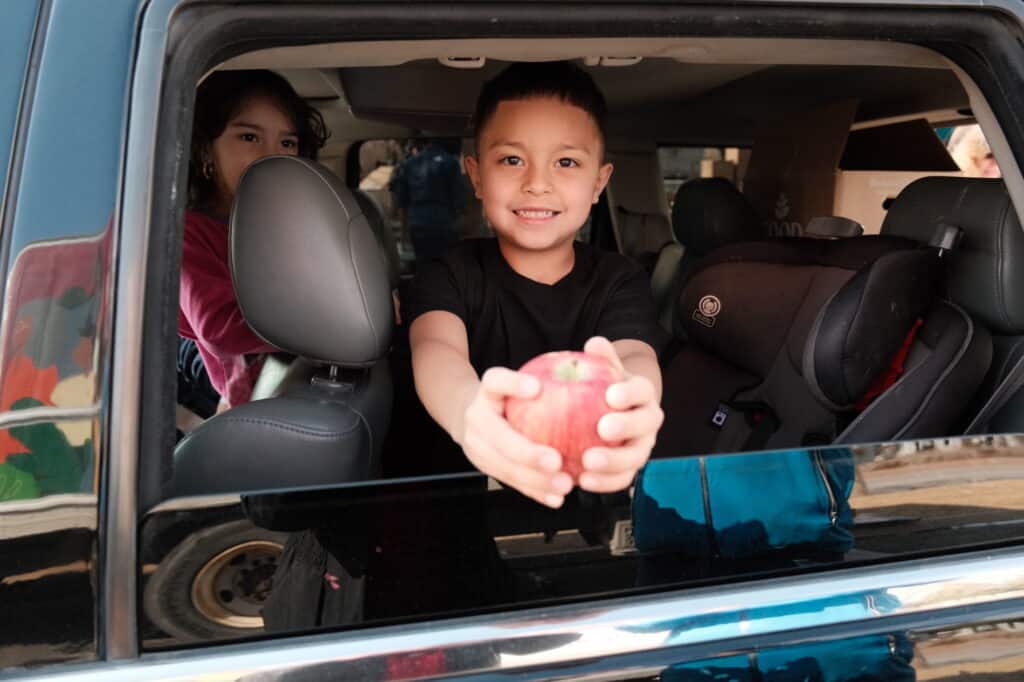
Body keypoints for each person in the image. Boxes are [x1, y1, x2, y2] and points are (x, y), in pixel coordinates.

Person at [401, 62, 666, 508]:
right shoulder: (447, 272)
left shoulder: (619, 278)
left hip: (583, 509)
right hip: (458, 505)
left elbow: (633, 356)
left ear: (599, 183)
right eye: (512, 160)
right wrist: (468, 413)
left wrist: (632, 404)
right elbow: (436, 351)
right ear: (476, 176)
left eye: (566, 162)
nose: (537, 184)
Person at [179, 70, 328, 409]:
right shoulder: (190, 233)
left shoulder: (287, 225)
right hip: (257, 400)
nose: (270, 155)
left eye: (287, 143)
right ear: (205, 150)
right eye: (249, 137)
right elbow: (220, 327)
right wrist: (327, 316)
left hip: (311, 382)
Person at [389, 139, 468, 261]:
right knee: (446, 263)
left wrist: (404, 225)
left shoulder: (410, 163)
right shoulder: (451, 163)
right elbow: (459, 197)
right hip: (444, 223)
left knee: (424, 262)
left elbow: (402, 199)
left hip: (418, 224)